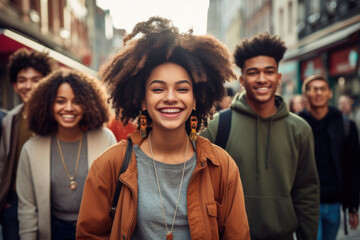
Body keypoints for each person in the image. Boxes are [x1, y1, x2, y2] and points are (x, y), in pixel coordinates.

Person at [76, 17, 250, 239]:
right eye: (158, 89)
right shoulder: (110, 165)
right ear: (142, 100)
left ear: (195, 100)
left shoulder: (222, 166)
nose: (170, 98)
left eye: (182, 89)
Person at [201, 32, 320, 240]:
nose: (262, 79)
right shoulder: (218, 125)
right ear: (242, 80)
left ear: (279, 78)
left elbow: (307, 191)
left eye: (269, 71)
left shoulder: (300, 129)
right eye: (254, 72)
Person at [16, 69, 117, 240]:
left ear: (88, 104)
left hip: (96, 231)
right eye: (60, 101)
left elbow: (117, 196)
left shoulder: (105, 139)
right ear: (48, 104)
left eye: (76, 101)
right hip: (54, 231)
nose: (68, 108)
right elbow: (27, 208)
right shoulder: (31, 149)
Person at [0, 48, 56, 240]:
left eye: (35, 79)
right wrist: (5, 199)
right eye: (22, 80)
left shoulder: (58, 118)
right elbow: (3, 162)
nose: (28, 85)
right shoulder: (10, 119)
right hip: (15, 205)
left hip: (50, 203)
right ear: (15, 85)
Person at [298, 74, 360, 240]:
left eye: (322, 89)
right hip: (307, 203)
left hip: (334, 202)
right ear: (306, 95)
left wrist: (353, 206)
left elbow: (353, 168)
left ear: (330, 93)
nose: (318, 93)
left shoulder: (346, 124)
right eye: (313, 89)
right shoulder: (296, 124)